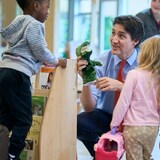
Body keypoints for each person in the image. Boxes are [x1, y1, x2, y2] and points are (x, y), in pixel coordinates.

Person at [0, 0, 67, 159]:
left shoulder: (18, 21)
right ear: (36, 6)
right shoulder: (35, 24)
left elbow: (26, 49)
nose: (49, 11)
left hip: (4, 71)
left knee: (5, 117)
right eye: (47, 6)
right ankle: (11, 153)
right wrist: (57, 60)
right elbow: (41, 50)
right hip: (18, 74)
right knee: (24, 120)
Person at [77, 15, 144, 159]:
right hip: (107, 116)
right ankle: (104, 154)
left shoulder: (145, 63)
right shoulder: (103, 59)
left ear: (135, 41)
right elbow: (89, 107)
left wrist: (122, 87)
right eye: (113, 33)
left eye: (121, 35)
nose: (114, 40)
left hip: (136, 120)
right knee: (79, 123)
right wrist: (86, 80)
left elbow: (150, 100)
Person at [110, 36, 160, 160]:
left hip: (133, 128)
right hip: (152, 129)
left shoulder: (134, 74)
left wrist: (114, 124)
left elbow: (123, 102)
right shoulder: (158, 78)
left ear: (144, 54)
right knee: (146, 157)